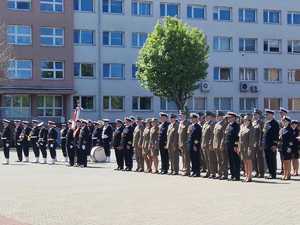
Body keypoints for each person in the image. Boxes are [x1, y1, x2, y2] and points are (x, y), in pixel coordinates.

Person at [263, 109, 280, 179]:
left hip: (272, 145)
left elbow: (276, 135)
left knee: (272, 159)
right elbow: (264, 134)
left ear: (271, 115)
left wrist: (275, 145)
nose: (266, 116)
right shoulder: (266, 123)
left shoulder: (275, 123)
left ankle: (273, 174)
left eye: (267, 114)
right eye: (266, 115)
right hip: (266, 144)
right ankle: (270, 173)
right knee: (267, 159)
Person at [224, 112, 240, 181]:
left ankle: (237, 176)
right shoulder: (228, 125)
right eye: (228, 118)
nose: (228, 119)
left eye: (230, 117)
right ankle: (232, 175)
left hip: (234, 146)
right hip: (228, 145)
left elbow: (237, 137)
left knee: (235, 161)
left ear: (234, 118)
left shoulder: (237, 126)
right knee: (230, 161)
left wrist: (236, 145)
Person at [213, 111, 228, 180]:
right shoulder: (216, 124)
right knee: (218, 160)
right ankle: (220, 173)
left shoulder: (224, 124)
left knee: (223, 160)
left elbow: (224, 136)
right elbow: (214, 136)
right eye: (216, 116)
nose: (217, 117)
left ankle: (224, 174)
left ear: (222, 117)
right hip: (216, 144)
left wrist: (222, 144)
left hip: (221, 145)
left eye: (218, 116)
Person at [239, 114, 254, 182]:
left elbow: (251, 140)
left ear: (250, 121)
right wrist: (239, 147)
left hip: (248, 148)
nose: (245, 121)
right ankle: (246, 175)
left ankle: (249, 176)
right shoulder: (243, 128)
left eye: (247, 120)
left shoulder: (251, 128)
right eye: (244, 120)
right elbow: (240, 139)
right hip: (242, 148)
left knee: (249, 162)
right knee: (245, 162)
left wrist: (249, 149)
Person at [201, 111, 216, 178]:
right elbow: (203, 135)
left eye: (207, 116)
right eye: (205, 117)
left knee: (211, 159)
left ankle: (212, 173)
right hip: (204, 144)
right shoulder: (205, 124)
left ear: (210, 117)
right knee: (206, 159)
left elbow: (212, 135)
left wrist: (210, 143)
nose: (206, 118)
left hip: (209, 145)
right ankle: (208, 172)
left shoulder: (212, 124)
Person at [252, 109, 265, 178]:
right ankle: (256, 171)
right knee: (254, 158)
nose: (254, 115)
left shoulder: (261, 123)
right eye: (254, 114)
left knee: (259, 158)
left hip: (258, 143)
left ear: (259, 115)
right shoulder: (253, 123)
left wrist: (261, 143)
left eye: (256, 114)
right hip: (253, 143)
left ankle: (261, 172)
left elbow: (262, 134)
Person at [188, 113, 202, 177]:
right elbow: (189, 136)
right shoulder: (190, 126)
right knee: (192, 158)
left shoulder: (198, 127)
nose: (191, 119)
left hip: (195, 145)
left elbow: (198, 137)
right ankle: (193, 171)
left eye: (193, 118)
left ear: (196, 119)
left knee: (196, 158)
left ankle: (197, 172)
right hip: (190, 144)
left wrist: (195, 145)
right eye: (191, 118)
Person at [178, 111, 190, 176]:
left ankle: (187, 170)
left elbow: (188, 134)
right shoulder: (180, 123)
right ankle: (184, 168)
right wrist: (179, 143)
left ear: (185, 116)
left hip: (185, 143)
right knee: (183, 157)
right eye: (180, 115)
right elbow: (179, 134)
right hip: (181, 143)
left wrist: (186, 143)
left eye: (182, 115)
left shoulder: (187, 123)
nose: (181, 116)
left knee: (186, 158)